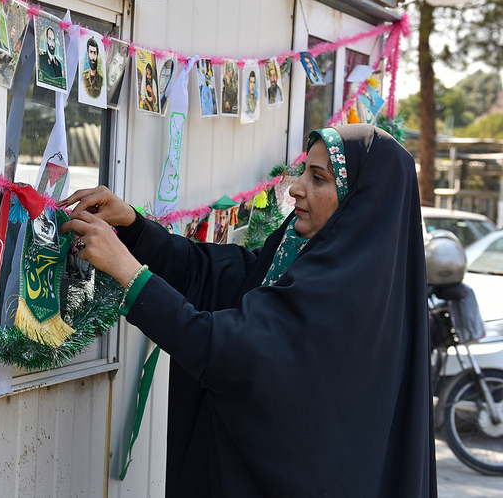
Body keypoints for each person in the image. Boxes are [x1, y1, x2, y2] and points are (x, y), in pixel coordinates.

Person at [59, 124, 436, 497]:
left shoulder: (343, 295)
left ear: (360, 202)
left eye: (318, 178)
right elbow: (219, 276)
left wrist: (128, 271)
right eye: (303, 171)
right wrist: (133, 226)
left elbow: (227, 349)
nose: (296, 187)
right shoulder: (304, 257)